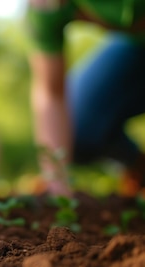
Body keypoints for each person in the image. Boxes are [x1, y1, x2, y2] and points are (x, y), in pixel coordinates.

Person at [26, 0, 145, 196]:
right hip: (135, 49)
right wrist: (56, 179)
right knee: (78, 124)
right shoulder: (45, 5)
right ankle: (139, 167)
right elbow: (50, 93)